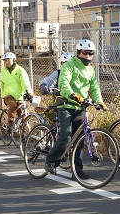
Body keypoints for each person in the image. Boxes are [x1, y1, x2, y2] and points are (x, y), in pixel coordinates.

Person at [45, 40, 107, 179]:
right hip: (66, 105)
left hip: (80, 106)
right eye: (85, 53)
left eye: (91, 54)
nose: (88, 56)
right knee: (66, 136)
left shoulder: (90, 69)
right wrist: (73, 95)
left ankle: (77, 170)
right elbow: (64, 83)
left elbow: (94, 87)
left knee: (79, 140)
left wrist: (100, 101)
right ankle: (50, 161)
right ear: (78, 53)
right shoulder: (69, 65)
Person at [0, 52, 33, 127]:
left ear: (14, 60)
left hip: (19, 95)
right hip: (7, 94)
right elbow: (1, 84)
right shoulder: (3, 71)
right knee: (13, 105)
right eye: (5, 60)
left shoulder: (20, 70)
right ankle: (10, 126)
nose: (6, 62)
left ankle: (24, 131)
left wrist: (28, 93)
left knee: (22, 111)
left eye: (8, 60)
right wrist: (2, 96)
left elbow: (25, 82)